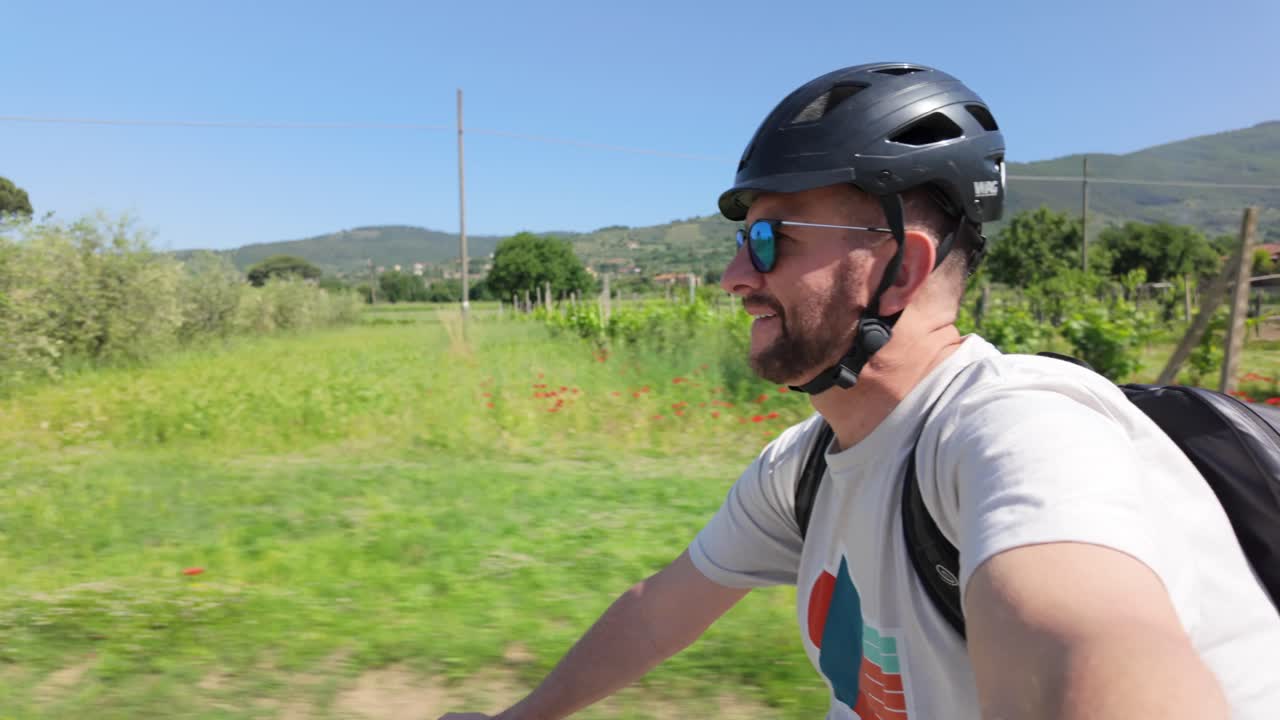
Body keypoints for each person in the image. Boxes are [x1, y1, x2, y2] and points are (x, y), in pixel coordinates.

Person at [441, 62, 1280, 720]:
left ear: (901, 268)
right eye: (741, 239)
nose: (734, 275)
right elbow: (662, 608)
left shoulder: (1016, 429)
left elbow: (1094, 649)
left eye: (769, 239)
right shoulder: (804, 468)